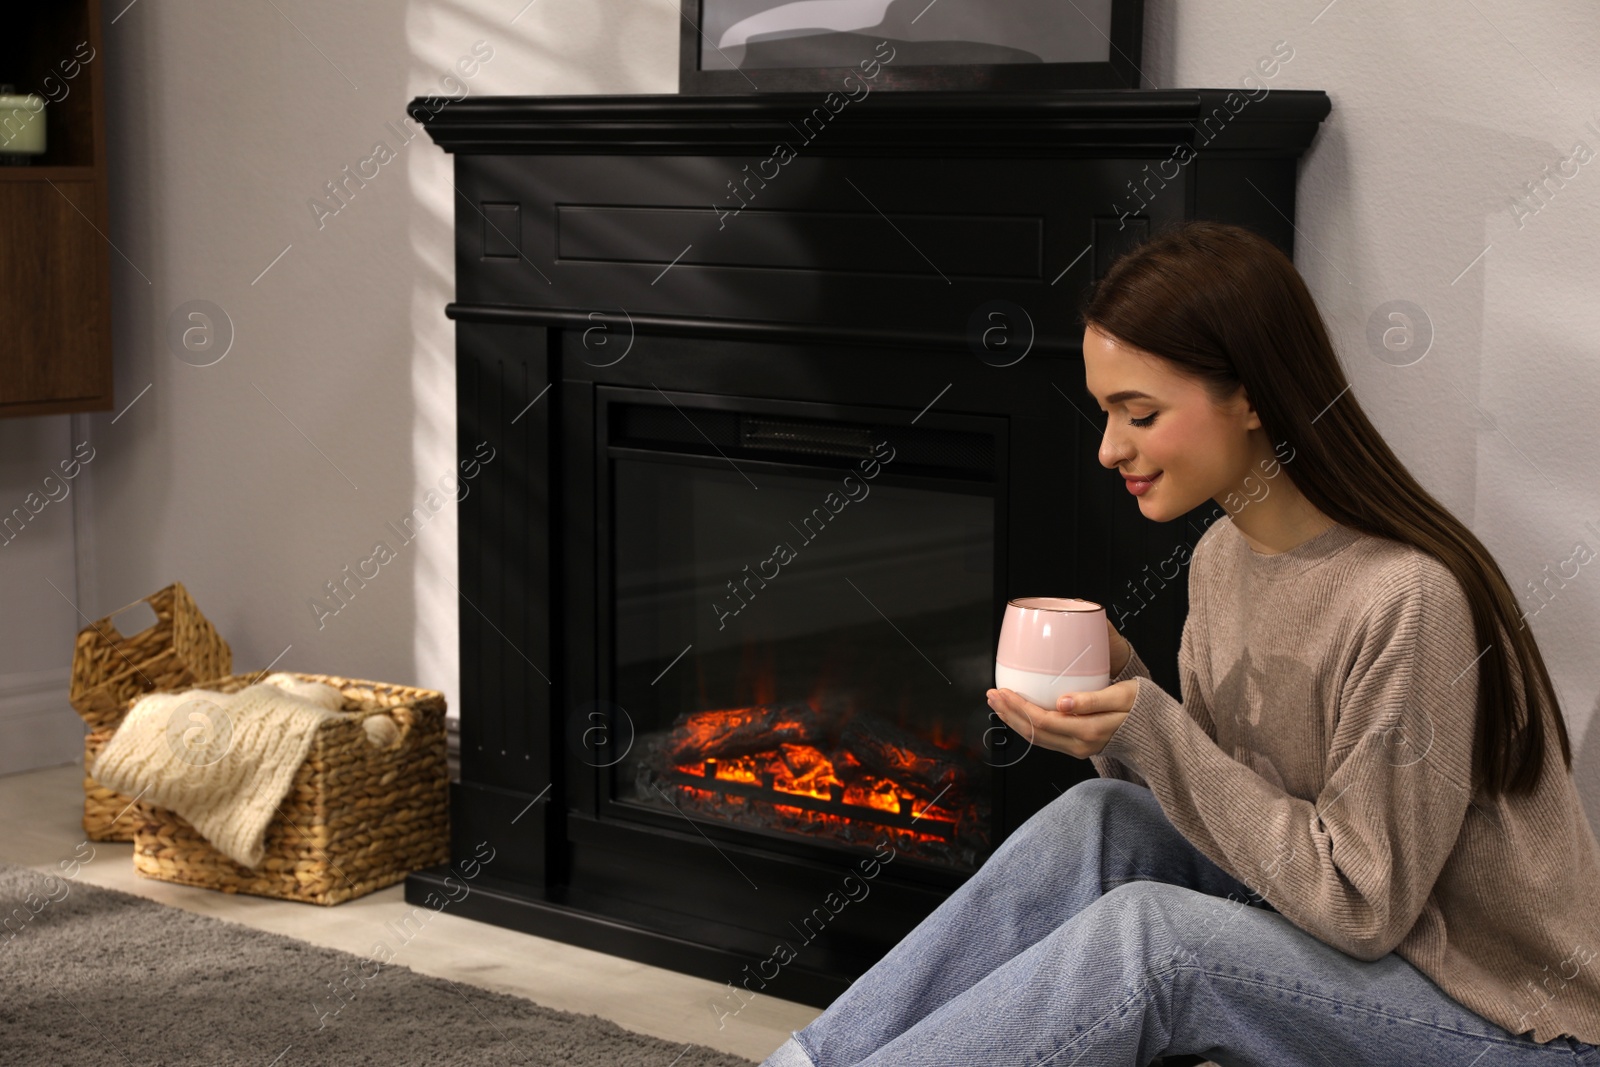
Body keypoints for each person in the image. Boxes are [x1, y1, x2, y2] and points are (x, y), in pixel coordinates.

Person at [759, 220, 1600, 1066]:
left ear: (1252, 396)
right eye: (1105, 411)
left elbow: (1360, 903)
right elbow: (1227, 822)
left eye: (1141, 412)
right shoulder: (1222, 559)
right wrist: (1122, 698)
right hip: (1363, 960)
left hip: (1508, 1022)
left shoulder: (1407, 599)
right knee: (1101, 818)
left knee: (1152, 939)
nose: (1108, 447)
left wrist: (1148, 727)